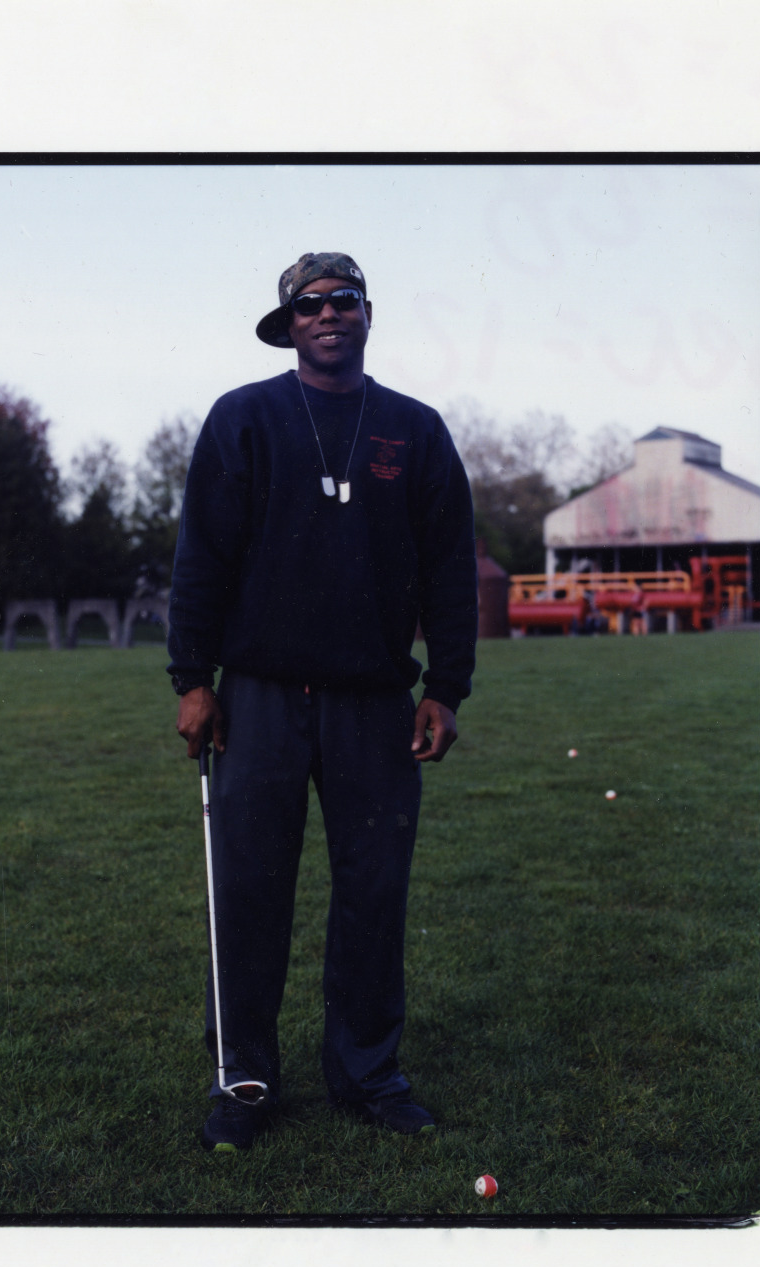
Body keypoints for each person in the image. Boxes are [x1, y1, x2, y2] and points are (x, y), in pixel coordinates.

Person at [166, 252, 478, 1153]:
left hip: (375, 703)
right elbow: (202, 559)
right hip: (258, 698)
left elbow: (451, 572)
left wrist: (445, 689)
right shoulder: (245, 419)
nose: (329, 315)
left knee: (374, 893)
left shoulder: (414, 431)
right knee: (251, 893)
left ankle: (369, 1074)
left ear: (369, 315)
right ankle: (246, 1078)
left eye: (344, 301)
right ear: (289, 324)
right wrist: (193, 680)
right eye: (311, 306)